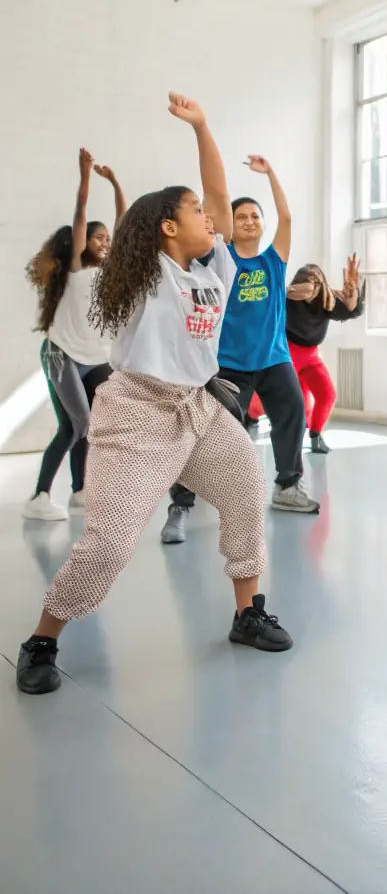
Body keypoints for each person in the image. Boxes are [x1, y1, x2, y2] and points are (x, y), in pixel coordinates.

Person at [16, 94, 291, 696]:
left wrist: (203, 127)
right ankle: (42, 639)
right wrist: (101, 188)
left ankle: (248, 612)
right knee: (110, 539)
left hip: (199, 407)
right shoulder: (145, 274)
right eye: (194, 212)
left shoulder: (215, 269)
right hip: (138, 412)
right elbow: (135, 221)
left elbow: (219, 196)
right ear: (168, 228)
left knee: (246, 489)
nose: (211, 218)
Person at [161, 156, 318, 544]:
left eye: (255, 216)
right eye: (241, 216)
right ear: (230, 226)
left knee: (293, 412)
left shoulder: (273, 260)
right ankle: (180, 504)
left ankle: (287, 486)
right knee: (202, 433)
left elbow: (288, 219)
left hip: (274, 358)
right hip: (228, 364)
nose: (249, 221)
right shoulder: (221, 260)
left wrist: (272, 174)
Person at [23, 149, 125, 521]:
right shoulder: (76, 266)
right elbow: (80, 213)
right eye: (97, 237)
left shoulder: (111, 270)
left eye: (106, 237)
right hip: (61, 353)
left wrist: (115, 183)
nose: (104, 241)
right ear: (84, 243)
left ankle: (80, 490)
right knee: (79, 423)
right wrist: (85, 176)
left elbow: (124, 223)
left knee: (84, 424)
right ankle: (39, 498)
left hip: (95, 358)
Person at [283, 256, 364, 453]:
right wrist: (292, 290)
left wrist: (353, 287)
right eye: (308, 280)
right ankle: (259, 421)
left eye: (315, 281)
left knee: (327, 394)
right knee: (295, 402)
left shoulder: (326, 300)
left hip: (311, 356)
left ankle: (316, 435)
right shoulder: (287, 299)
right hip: (288, 353)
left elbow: (352, 311)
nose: (311, 286)